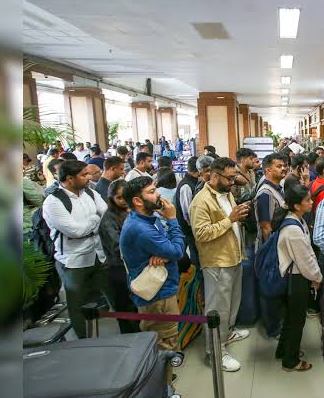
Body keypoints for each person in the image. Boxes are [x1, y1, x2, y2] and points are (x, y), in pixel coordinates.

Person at [120, 176, 185, 386]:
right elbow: (177, 250)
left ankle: (163, 383)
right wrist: (173, 220)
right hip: (158, 296)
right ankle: (164, 389)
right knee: (164, 345)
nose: (158, 195)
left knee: (164, 342)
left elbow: (169, 247)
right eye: (151, 191)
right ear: (137, 201)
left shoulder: (148, 218)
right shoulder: (140, 228)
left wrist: (166, 253)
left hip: (161, 288)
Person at [190, 157, 251, 371]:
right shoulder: (201, 201)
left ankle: (227, 334)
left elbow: (229, 222)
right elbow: (201, 233)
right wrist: (230, 219)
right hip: (217, 262)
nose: (233, 182)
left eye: (234, 177)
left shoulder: (226, 193)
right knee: (217, 309)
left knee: (232, 304)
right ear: (215, 176)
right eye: (230, 178)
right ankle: (215, 352)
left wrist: (238, 216)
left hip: (233, 257)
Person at [42, 160, 114, 338]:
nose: (89, 177)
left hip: (97, 254)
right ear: (69, 178)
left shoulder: (89, 192)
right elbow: (74, 231)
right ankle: (84, 340)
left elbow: (106, 215)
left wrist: (89, 226)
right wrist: (95, 220)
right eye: (84, 175)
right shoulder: (54, 202)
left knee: (111, 294)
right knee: (77, 304)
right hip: (73, 260)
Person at [275, 185, 323, 372]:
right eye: (308, 200)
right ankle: (290, 361)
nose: (311, 202)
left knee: (290, 319)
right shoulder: (293, 229)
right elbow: (305, 261)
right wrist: (317, 277)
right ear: (296, 206)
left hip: (296, 276)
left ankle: (283, 351)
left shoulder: (296, 220)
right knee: (296, 321)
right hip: (296, 279)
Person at [98, 179, 140, 334]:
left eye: (125, 196)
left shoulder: (132, 211)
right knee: (126, 307)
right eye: (119, 197)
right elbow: (117, 247)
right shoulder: (109, 219)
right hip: (119, 268)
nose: (123, 200)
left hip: (134, 266)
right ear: (112, 198)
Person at [254, 153, 288, 338]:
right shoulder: (266, 194)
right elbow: (266, 227)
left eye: (284, 165)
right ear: (268, 170)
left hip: (279, 246)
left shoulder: (277, 188)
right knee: (270, 289)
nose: (284, 168)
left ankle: (278, 322)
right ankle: (272, 328)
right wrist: (272, 254)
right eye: (279, 166)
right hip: (270, 249)